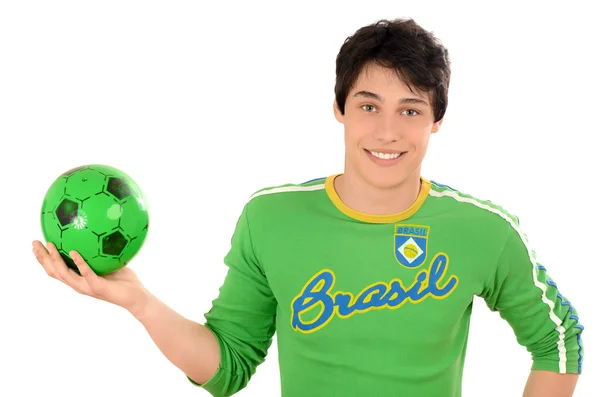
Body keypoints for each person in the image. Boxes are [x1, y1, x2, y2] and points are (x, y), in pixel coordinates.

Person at [32, 18, 584, 397]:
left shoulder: (482, 230)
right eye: (369, 105)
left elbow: (558, 340)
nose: (387, 131)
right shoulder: (271, 219)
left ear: (437, 119)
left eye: (411, 110)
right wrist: (140, 302)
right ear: (339, 108)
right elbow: (226, 366)